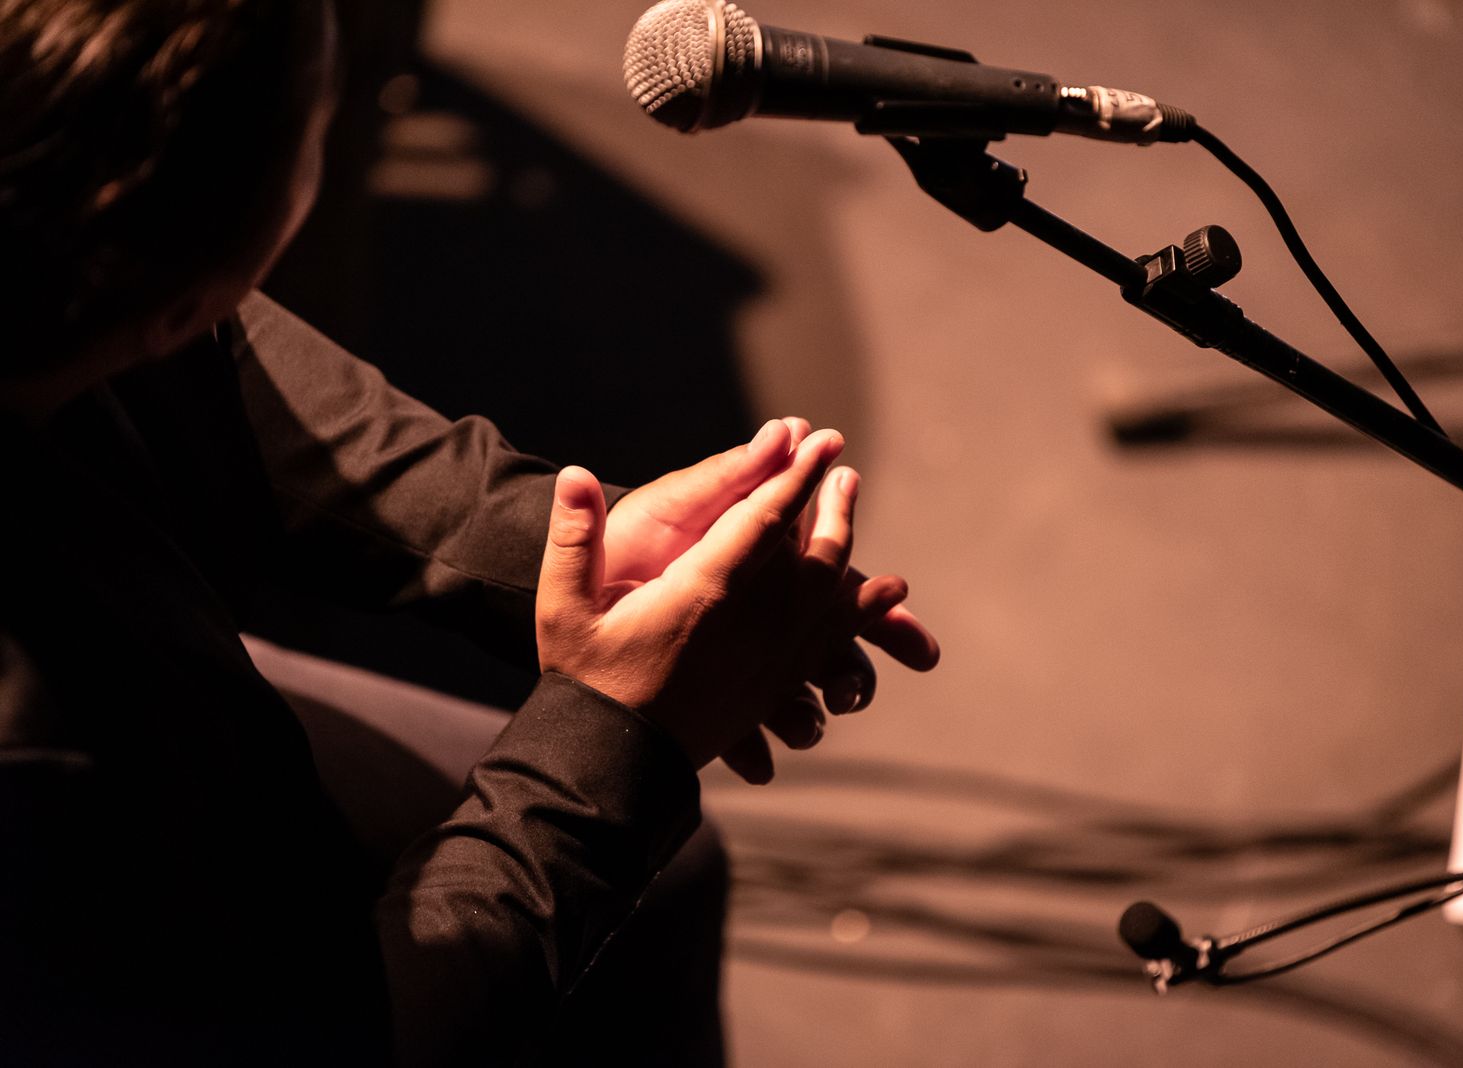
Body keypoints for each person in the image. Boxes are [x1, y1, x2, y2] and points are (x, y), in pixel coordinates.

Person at [0, 1, 939, 1065]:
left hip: (152, 709)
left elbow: (210, 347)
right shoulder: (32, 771)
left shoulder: (56, 257)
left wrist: (555, 540)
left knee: (670, 881)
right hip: (123, 867)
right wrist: (608, 744)